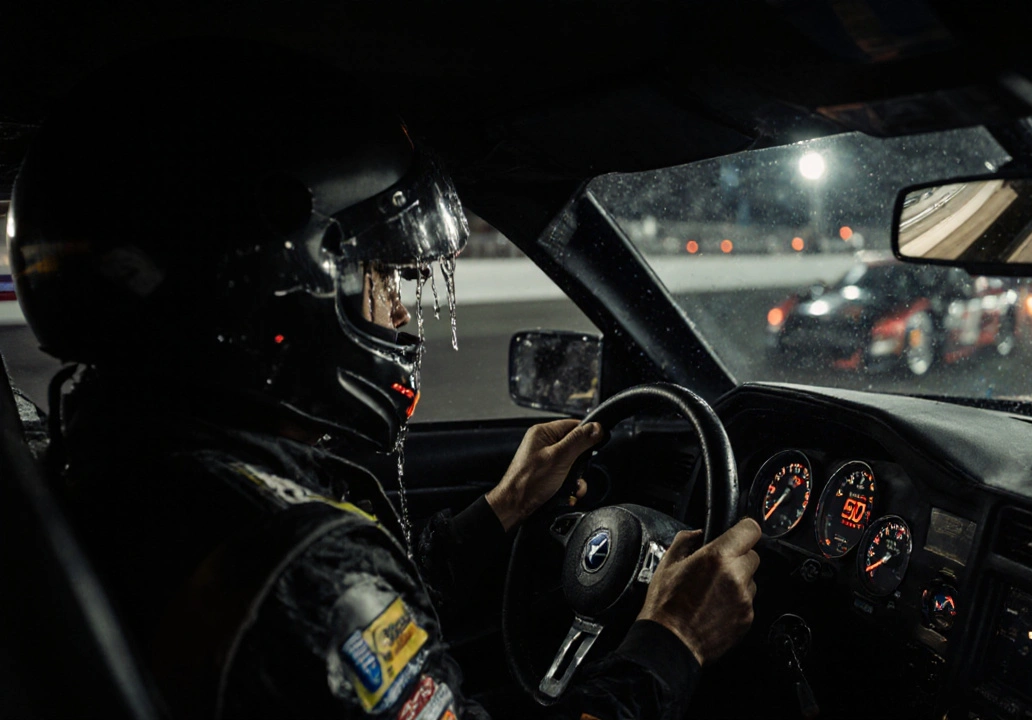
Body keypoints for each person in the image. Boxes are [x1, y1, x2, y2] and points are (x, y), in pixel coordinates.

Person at [6, 40, 760, 719]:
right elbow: (329, 600)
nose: (401, 308)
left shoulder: (118, 461)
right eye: (380, 274)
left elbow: (361, 620)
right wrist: (670, 644)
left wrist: (502, 507)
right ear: (286, 277)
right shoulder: (298, 567)